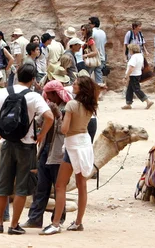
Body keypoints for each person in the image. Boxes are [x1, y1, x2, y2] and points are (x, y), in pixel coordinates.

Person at [0, 63, 54, 235]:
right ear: (33, 79)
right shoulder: (34, 97)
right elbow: (49, 117)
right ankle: (14, 225)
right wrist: (41, 135)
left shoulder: (2, 92)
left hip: (7, 143)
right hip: (27, 145)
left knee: (3, 184)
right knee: (22, 186)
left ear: (17, 75)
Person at [41, 76, 98, 235]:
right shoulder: (90, 105)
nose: (72, 85)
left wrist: (59, 116)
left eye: (75, 84)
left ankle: (56, 223)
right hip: (84, 144)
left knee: (60, 185)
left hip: (72, 145)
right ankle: (78, 222)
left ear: (80, 88)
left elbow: (64, 129)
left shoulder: (71, 105)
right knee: (82, 185)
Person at [22, 80, 69, 229]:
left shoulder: (68, 108)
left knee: (59, 188)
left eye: (49, 95)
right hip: (45, 151)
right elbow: (39, 123)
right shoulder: (48, 106)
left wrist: (58, 116)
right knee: (41, 187)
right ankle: (35, 218)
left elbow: (65, 131)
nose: (47, 98)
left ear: (56, 94)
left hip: (59, 153)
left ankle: (58, 219)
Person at [122, 44, 154, 110]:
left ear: (132, 50)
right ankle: (128, 103)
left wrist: (126, 77)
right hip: (138, 74)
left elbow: (131, 68)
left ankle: (148, 101)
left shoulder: (134, 57)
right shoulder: (140, 56)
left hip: (133, 75)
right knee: (130, 89)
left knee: (137, 90)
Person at [89, 17, 107, 84]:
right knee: (98, 75)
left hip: (93, 57)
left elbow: (89, 43)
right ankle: (99, 91)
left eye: (89, 23)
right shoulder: (103, 32)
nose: (88, 25)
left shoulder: (92, 32)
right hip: (102, 56)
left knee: (87, 74)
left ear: (93, 24)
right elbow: (104, 44)